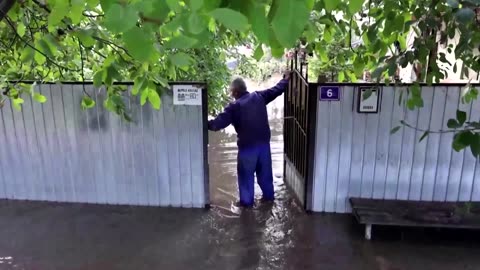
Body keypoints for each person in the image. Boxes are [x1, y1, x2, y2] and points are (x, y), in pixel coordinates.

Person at [208, 71, 291, 207]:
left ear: (234, 92)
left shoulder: (234, 107)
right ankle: (269, 201)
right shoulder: (259, 96)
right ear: (245, 88)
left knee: (246, 181)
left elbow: (217, 125)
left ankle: (247, 210)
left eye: (231, 92)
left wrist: (202, 122)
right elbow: (277, 90)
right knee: (266, 178)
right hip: (264, 146)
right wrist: (286, 79)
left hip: (247, 150)